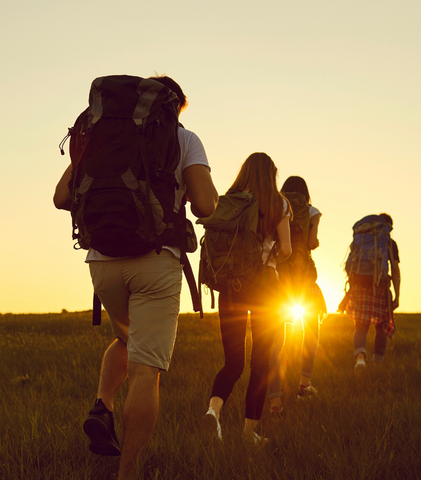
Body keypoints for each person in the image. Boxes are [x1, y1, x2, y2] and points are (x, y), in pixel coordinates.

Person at [54, 75, 218, 480]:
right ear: (175, 106)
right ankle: (128, 474)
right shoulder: (185, 139)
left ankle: (102, 406)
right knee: (146, 369)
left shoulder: (102, 134)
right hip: (156, 260)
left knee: (127, 339)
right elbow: (205, 205)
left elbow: (61, 198)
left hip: (101, 262)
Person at [201, 153, 292, 445]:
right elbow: (288, 249)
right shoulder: (279, 204)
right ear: (271, 175)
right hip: (265, 289)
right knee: (260, 363)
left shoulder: (231, 200)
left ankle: (213, 412)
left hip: (231, 286)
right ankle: (248, 433)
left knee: (234, 362)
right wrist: (271, 258)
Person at [268, 176, 327, 417]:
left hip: (278, 275)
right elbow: (311, 243)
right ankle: (304, 384)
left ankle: (274, 401)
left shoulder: (276, 206)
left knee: (274, 340)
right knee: (311, 329)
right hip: (304, 277)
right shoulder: (312, 211)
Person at [339, 213, 400, 370]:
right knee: (381, 326)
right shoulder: (389, 242)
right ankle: (378, 365)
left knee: (360, 326)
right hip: (379, 286)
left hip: (359, 284)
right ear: (388, 227)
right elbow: (394, 269)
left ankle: (360, 360)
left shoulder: (361, 239)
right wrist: (397, 294)